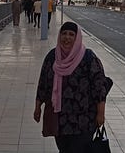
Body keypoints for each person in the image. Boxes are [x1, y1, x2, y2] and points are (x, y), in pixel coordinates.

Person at [33, 21, 108, 153]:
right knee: (64, 149)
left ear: (77, 37)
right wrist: (38, 107)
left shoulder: (88, 58)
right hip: (60, 118)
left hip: (84, 119)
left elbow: (99, 87)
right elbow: (43, 84)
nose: (67, 37)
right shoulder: (52, 57)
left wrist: (101, 113)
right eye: (64, 34)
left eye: (71, 34)